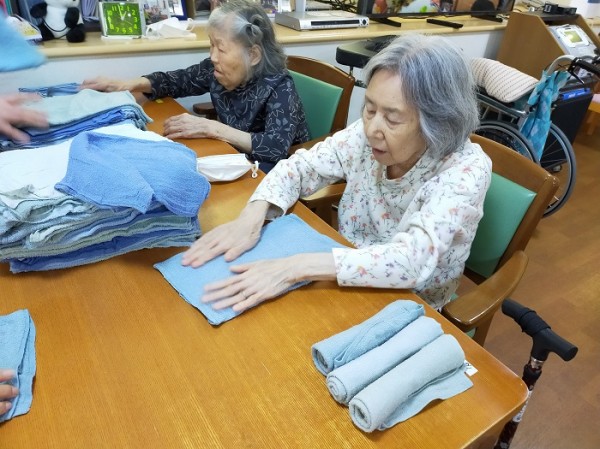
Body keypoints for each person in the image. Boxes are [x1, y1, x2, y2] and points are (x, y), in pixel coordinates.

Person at [181, 34, 492, 312]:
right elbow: (300, 167)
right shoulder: (365, 134)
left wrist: (294, 268)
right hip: (342, 268)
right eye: (369, 108)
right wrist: (251, 217)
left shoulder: (465, 171)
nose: (371, 128)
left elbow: (410, 262)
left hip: (409, 302)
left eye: (392, 119)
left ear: (437, 122)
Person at [81, 0, 309, 173]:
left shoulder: (280, 86)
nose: (213, 57)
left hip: (277, 173)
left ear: (253, 55)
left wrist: (213, 128)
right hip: (234, 158)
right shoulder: (216, 70)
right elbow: (178, 81)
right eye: (211, 45)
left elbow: (275, 147)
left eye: (221, 48)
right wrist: (128, 84)